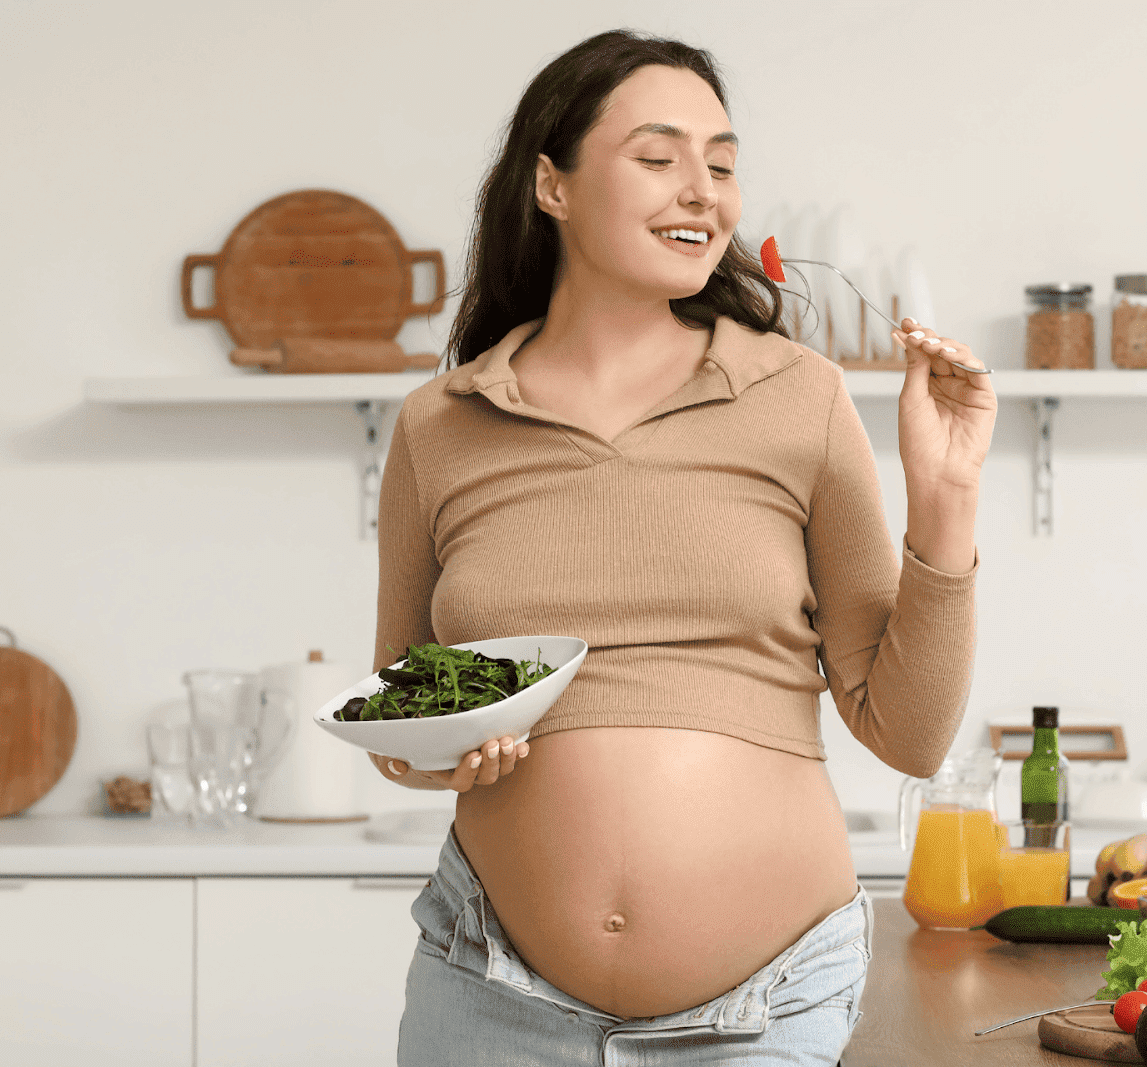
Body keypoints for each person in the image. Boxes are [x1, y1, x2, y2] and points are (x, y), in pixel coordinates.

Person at [368, 27, 997, 1067]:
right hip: (488, 994)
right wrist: (442, 753)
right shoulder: (442, 422)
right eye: (658, 158)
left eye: (722, 163)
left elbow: (910, 732)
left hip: (762, 1007)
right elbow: (400, 710)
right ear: (551, 185)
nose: (702, 191)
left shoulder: (796, 395)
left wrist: (947, 497)